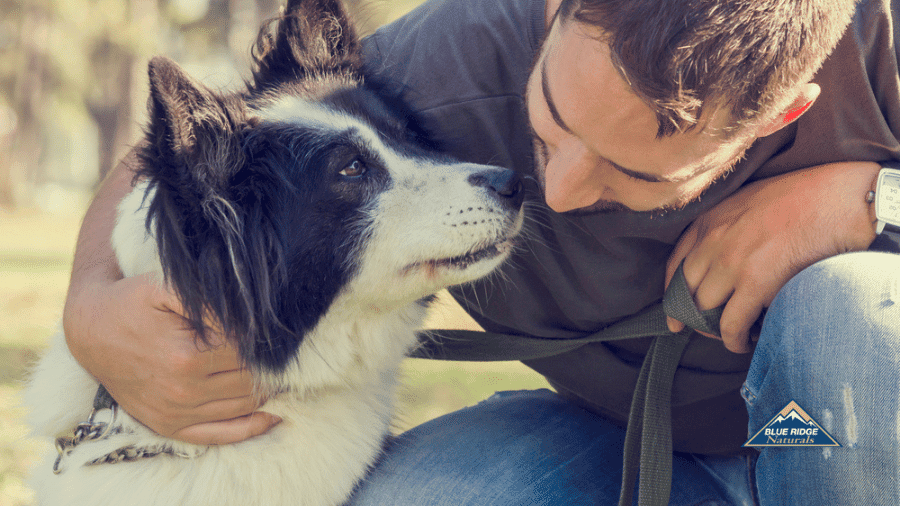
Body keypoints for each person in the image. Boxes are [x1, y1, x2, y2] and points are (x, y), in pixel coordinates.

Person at [63, 0, 900, 504]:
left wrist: (862, 198)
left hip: (856, 453)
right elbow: (222, 136)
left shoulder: (879, 47)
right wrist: (90, 307)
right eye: (551, 122)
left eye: (630, 171)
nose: (561, 191)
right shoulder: (456, 51)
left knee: (849, 314)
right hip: (621, 452)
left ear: (779, 116)